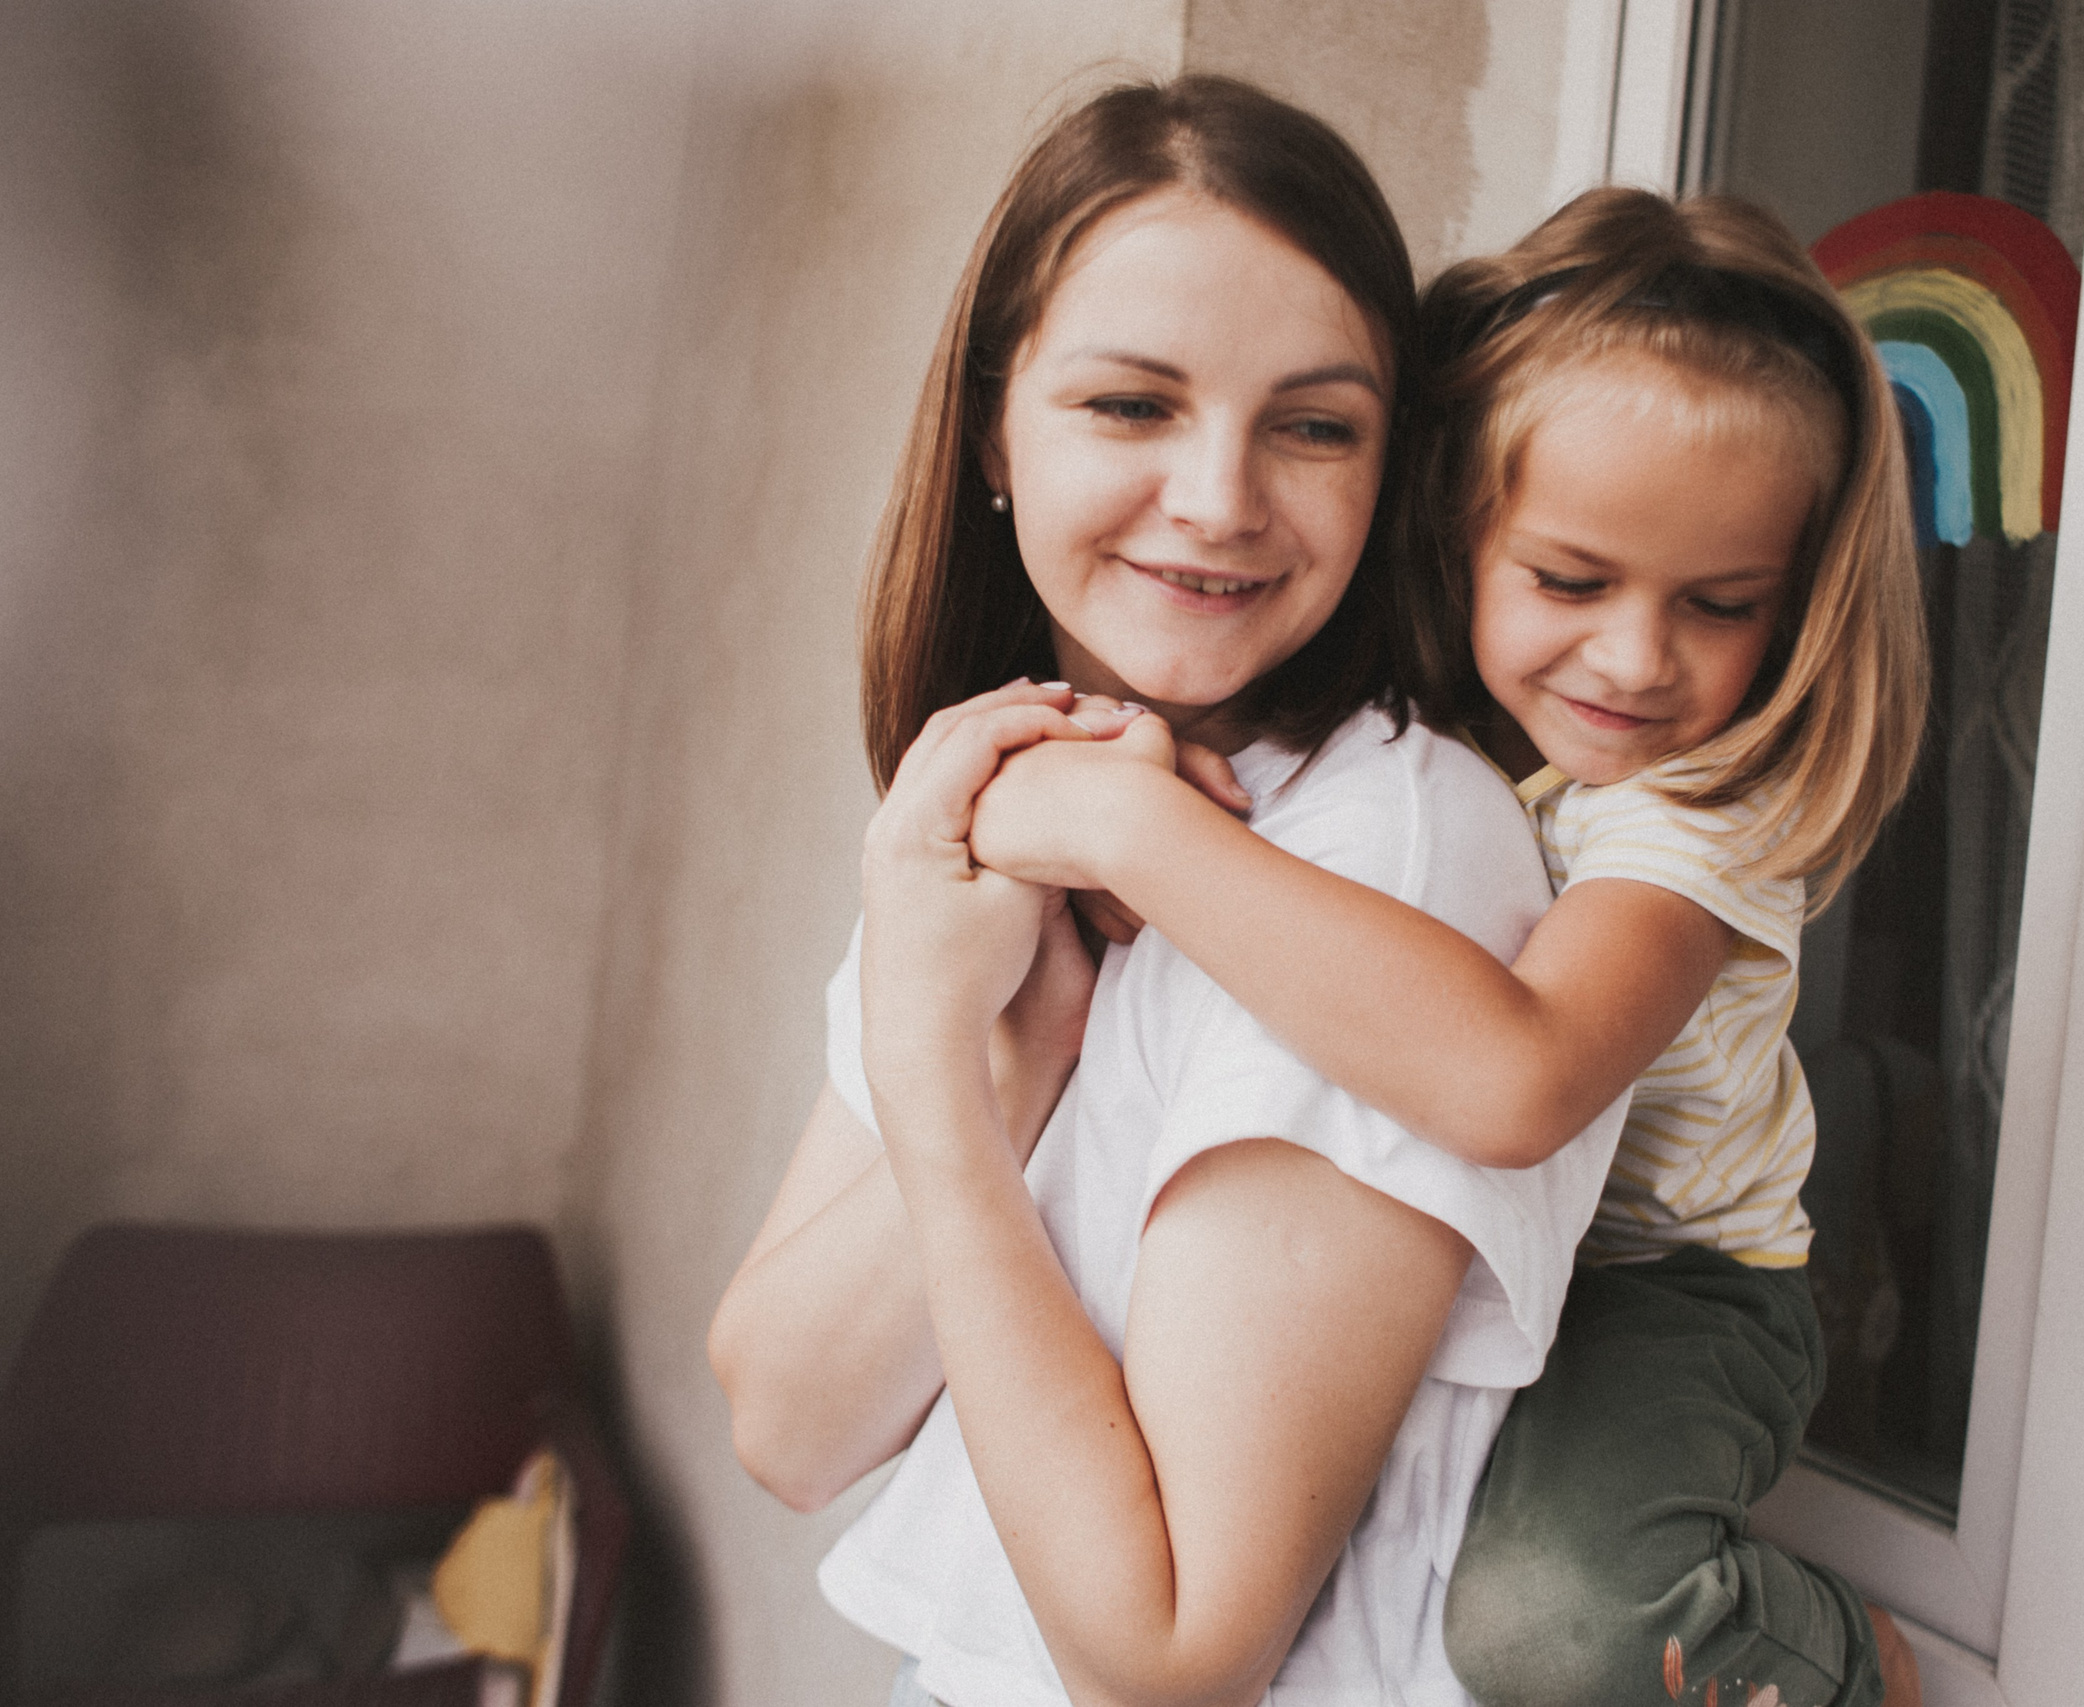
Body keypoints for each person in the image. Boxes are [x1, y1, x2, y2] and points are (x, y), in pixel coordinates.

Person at [706, 76, 1621, 1707]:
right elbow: (786, 1421)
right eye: (1133, 406)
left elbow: (1172, 1658)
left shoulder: (1388, 850)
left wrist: (935, 1069)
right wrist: (1015, 1054)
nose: (1218, 499)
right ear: (996, 425)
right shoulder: (1010, 808)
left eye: (1315, 424)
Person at [964, 187, 1932, 1707]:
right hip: (1495, 1251)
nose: (1633, 659)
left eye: (1721, 605)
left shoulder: (1701, 816)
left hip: (1671, 1289)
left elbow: (1514, 1077)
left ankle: (1835, 1659)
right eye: (1569, 581)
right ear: (1461, 534)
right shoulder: (1443, 751)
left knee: (1551, 1624)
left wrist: (1139, 838)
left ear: (1796, 608)